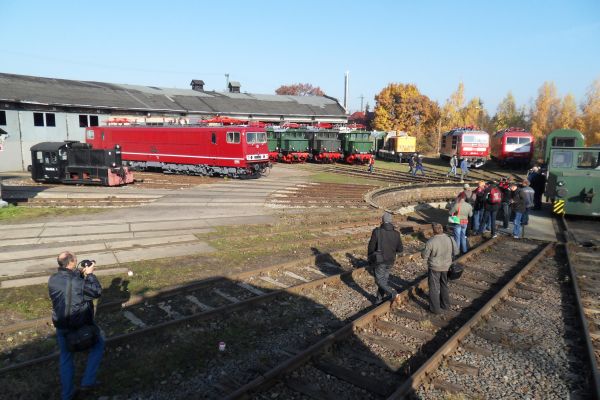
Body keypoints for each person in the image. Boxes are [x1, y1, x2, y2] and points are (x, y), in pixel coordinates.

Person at [48, 252, 104, 400]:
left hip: (61, 325)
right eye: (76, 260)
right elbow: (96, 291)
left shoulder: (53, 279)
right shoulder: (79, 284)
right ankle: (88, 381)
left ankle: (67, 395)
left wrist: (79, 272)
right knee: (99, 345)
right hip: (80, 326)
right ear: (71, 263)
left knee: (66, 357)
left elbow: (69, 285)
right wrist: (90, 275)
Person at [421, 223, 459, 314]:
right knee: (444, 285)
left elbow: (424, 256)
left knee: (434, 288)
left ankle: (435, 309)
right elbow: (456, 252)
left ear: (433, 231)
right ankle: (445, 305)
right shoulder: (450, 238)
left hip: (435, 268)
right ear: (442, 229)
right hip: (447, 267)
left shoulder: (431, 241)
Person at [368, 212, 404, 305]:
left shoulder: (377, 231)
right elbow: (400, 249)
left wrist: (369, 257)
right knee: (383, 281)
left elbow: (371, 246)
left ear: (382, 220)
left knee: (379, 281)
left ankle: (393, 293)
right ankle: (379, 300)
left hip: (380, 260)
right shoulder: (396, 233)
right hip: (391, 260)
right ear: (391, 221)